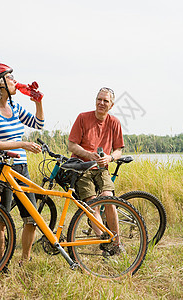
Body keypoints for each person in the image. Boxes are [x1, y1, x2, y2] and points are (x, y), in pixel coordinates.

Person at [0, 63, 44, 263]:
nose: (15, 81)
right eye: (10, 77)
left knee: (32, 217)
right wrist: (22, 144)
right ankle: (1, 264)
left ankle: (25, 259)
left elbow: (38, 124)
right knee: (2, 219)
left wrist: (38, 102)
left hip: (21, 168)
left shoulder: (14, 106)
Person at [68, 87, 124, 249]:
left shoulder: (114, 122)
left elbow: (119, 150)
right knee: (93, 204)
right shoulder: (83, 118)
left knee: (109, 200)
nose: (101, 103)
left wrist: (110, 157)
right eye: (99, 99)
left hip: (101, 169)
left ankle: (116, 243)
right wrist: (88, 154)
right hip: (82, 168)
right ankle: (104, 243)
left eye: (105, 101)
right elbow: (72, 145)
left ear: (111, 105)